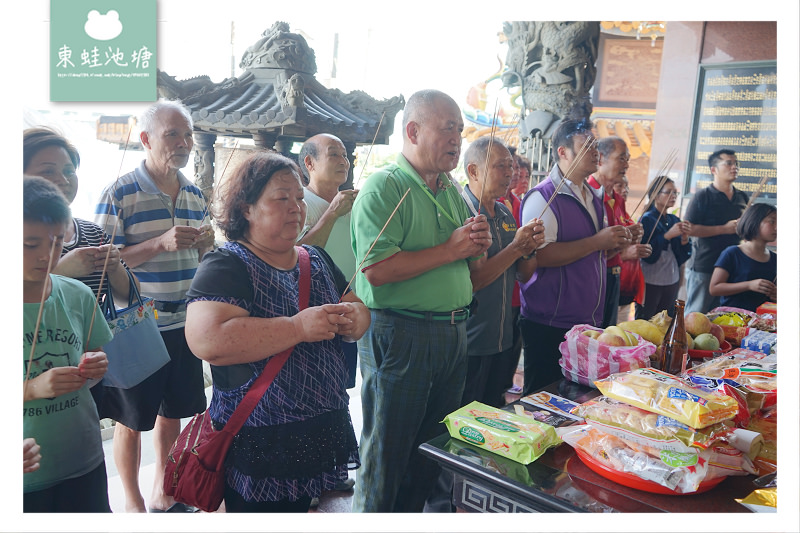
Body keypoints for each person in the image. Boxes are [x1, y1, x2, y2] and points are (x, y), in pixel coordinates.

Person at [184, 151, 369, 512]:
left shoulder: (314, 259)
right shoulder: (227, 263)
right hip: (260, 439)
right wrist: (297, 327)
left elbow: (356, 303)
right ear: (247, 209)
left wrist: (356, 320)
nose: (296, 207)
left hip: (319, 429)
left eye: (299, 198)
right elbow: (207, 339)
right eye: (281, 198)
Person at [350, 89, 492, 512]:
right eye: (447, 128)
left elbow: (465, 265)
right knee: (387, 454)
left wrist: (476, 245)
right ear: (412, 130)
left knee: (430, 451)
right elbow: (375, 270)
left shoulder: (449, 189)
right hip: (401, 333)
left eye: (460, 131)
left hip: (452, 333)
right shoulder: (385, 187)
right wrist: (451, 249)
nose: (456, 139)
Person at [94, 99, 213, 513]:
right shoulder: (119, 191)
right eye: (172, 134)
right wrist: (159, 243)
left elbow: (199, 258)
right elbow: (102, 261)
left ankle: (164, 488)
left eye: (188, 135)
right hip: (137, 325)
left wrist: (205, 244)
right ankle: (131, 501)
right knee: (131, 418)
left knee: (173, 412)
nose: (184, 143)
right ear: (145, 139)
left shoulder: (195, 194)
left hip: (186, 321)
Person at [423, 137, 544, 513]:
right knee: (457, 426)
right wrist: (514, 248)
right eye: (500, 166)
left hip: (504, 336)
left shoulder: (506, 212)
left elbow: (524, 274)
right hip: (471, 337)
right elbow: (474, 280)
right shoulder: (463, 211)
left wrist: (531, 247)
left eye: (511, 167)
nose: (509, 174)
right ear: (472, 171)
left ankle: (477, 495)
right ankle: (441, 501)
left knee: (491, 421)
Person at [23, 127, 138, 419]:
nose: (62, 180)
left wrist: (114, 267)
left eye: (68, 170)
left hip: (82, 372)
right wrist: (63, 269)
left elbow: (131, 295)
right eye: (47, 170)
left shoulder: (92, 231)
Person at [518, 117, 631, 396]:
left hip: (585, 319)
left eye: (595, 145)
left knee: (573, 396)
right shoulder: (543, 197)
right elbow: (540, 257)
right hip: (550, 321)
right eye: (586, 144)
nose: (595, 151)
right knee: (540, 396)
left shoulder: (592, 196)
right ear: (563, 152)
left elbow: (591, 252)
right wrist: (596, 242)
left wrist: (612, 246)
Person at [23, 176, 113, 512]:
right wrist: (30, 388)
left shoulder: (77, 294)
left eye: (58, 242)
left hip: (83, 458)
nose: (46, 256)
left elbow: (97, 359)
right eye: (30, 245)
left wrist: (96, 366)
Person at [296, 132, 359, 494]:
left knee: (338, 391)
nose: (344, 160)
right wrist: (333, 212)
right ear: (309, 163)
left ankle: (333, 468)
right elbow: (298, 254)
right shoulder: (300, 202)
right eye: (334, 153)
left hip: (345, 307)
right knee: (310, 393)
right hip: (309, 314)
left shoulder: (350, 203)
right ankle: (309, 478)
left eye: (346, 154)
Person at [588, 136, 651, 327]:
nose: (626, 165)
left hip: (616, 275)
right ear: (600, 159)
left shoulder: (617, 198)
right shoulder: (588, 193)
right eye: (621, 158)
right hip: (594, 276)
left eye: (627, 159)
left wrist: (632, 235)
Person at [684, 149, 748, 314]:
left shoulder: (742, 197)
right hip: (704, 265)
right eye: (728, 163)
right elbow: (689, 229)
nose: (734, 167)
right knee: (696, 315)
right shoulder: (702, 196)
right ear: (714, 169)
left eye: (736, 164)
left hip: (731, 266)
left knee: (722, 316)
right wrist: (724, 229)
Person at [636, 177, 692, 320]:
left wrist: (685, 238)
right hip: (650, 279)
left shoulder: (674, 220)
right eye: (669, 192)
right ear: (655, 195)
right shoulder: (647, 219)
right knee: (647, 319)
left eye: (675, 193)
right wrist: (666, 236)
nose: (673, 196)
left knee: (666, 319)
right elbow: (645, 253)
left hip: (671, 278)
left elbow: (682, 255)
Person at [709, 203, 777, 312]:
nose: (777, 227)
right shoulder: (732, 253)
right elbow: (714, 288)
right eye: (772, 221)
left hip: (762, 322)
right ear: (755, 222)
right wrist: (749, 285)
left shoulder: (775, 259)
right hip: (732, 320)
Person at [613, 176, 645, 321]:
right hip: (612, 288)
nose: (625, 191)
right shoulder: (607, 213)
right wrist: (625, 254)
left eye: (626, 187)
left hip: (626, 289)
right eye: (619, 185)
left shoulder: (626, 217)